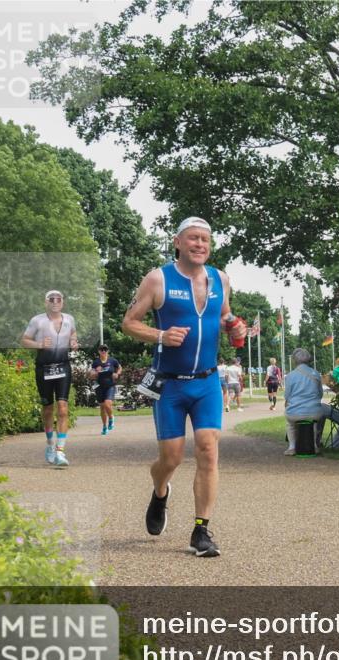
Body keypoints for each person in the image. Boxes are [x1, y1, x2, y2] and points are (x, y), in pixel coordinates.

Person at [121, 216, 246, 557]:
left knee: (208, 449)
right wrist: (161, 335)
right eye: (193, 238)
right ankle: (160, 490)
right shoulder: (158, 279)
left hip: (207, 382)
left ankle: (201, 531)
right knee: (171, 458)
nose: (199, 244)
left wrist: (235, 328)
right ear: (178, 242)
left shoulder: (220, 279)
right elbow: (129, 323)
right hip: (170, 386)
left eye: (205, 239)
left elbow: (224, 316)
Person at [21, 290, 78, 467]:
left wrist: (73, 342)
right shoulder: (37, 320)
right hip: (44, 368)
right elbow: (24, 340)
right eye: (51, 299)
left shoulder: (69, 319)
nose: (55, 302)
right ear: (46, 302)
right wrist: (39, 344)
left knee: (62, 407)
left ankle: (60, 451)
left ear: (63, 302)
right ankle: (50, 444)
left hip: (63, 367)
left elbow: (73, 334)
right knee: (47, 409)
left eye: (58, 299)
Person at [283, 348, 324, 455]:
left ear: (294, 360)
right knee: (313, 423)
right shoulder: (316, 374)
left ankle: (292, 447)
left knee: (290, 423)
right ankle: (314, 446)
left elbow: (287, 396)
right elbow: (320, 394)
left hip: (294, 413)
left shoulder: (290, 376)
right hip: (314, 412)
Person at [90, 345, 122, 435]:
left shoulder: (112, 360)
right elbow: (91, 373)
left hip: (110, 386)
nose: (103, 351)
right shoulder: (96, 362)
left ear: (108, 351)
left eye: (105, 349)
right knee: (102, 408)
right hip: (99, 387)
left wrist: (117, 373)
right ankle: (104, 426)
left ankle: (111, 418)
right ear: (99, 351)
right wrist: (94, 372)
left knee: (107, 404)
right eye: (101, 349)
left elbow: (120, 368)